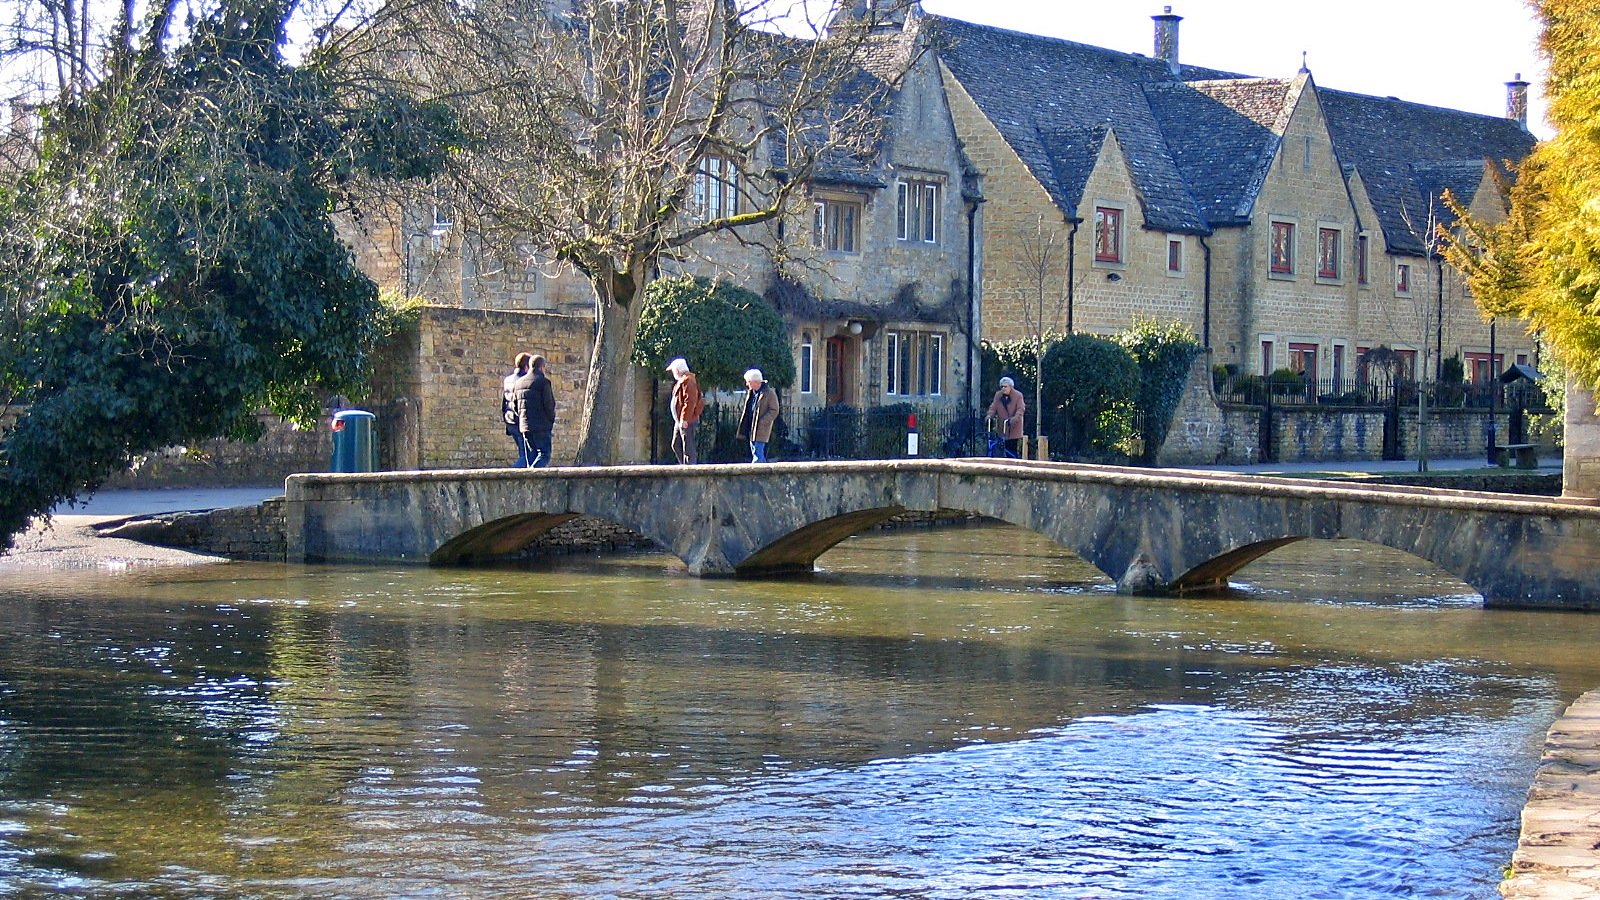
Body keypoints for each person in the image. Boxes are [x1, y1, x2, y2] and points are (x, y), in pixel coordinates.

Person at [514, 355, 557, 468]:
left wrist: (522, 419)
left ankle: (528, 482)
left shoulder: (519, 383)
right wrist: (550, 420)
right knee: (544, 455)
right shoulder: (543, 382)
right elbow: (549, 404)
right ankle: (534, 473)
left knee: (531, 456)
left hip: (525, 426)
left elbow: (515, 405)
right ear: (542, 367)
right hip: (541, 426)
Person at [736, 367, 779, 463]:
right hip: (751, 427)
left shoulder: (769, 393)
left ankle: (757, 476)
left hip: (761, 429)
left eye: (748, 382)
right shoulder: (751, 393)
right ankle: (762, 475)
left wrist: (763, 421)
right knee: (756, 452)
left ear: (755, 382)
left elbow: (774, 410)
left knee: (758, 455)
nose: (747, 384)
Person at [666, 357, 704, 465]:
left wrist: (685, 419)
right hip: (680, 420)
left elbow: (690, 401)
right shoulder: (683, 380)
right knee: (676, 444)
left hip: (686, 420)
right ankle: (684, 466)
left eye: (673, 370)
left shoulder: (688, 381)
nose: (673, 373)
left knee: (688, 446)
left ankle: (690, 469)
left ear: (677, 370)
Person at [502, 352, 532, 467]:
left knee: (524, 454)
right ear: (526, 366)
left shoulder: (508, 380)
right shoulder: (523, 381)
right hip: (519, 422)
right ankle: (507, 477)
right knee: (527, 457)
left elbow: (504, 402)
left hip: (510, 421)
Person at [987, 375, 1026, 458]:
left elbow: (1021, 409)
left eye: (1005, 386)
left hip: (1013, 427)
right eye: (1002, 387)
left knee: (1011, 448)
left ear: (1011, 387)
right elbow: (993, 407)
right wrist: (989, 415)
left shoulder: (1018, 395)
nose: (1003, 388)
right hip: (1002, 426)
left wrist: (1015, 419)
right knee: (998, 445)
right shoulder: (998, 395)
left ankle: (1013, 463)